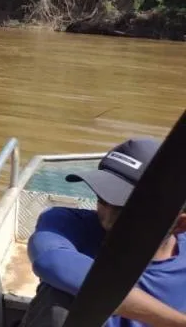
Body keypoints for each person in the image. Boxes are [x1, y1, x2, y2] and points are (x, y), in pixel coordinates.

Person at [23, 137, 186, 327]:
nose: (107, 218)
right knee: (59, 298)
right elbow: (51, 261)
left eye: (125, 209)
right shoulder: (68, 224)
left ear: (179, 225)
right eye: (102, 199)